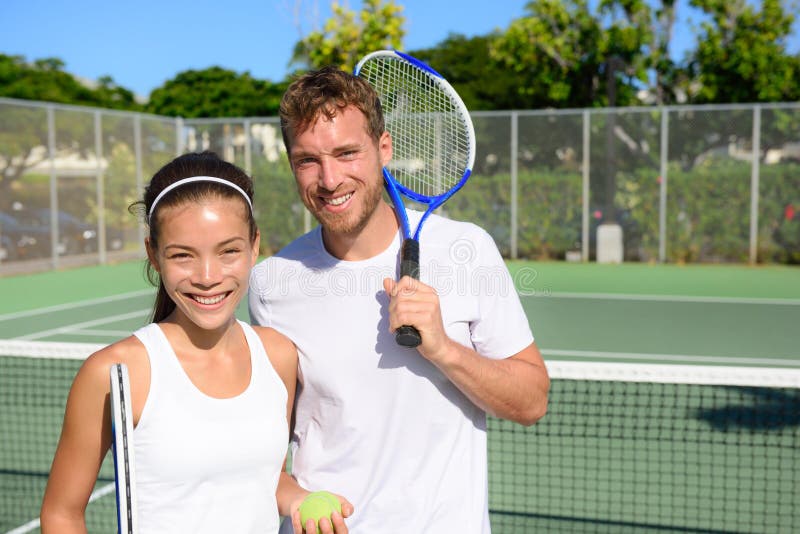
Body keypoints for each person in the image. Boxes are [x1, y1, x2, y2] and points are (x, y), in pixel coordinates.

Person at [248, 66, 550, 533]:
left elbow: (531, 401)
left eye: (347, 153)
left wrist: (444, 349)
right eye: (307, 160)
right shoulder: (272, 283)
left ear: (383, 149)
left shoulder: (467, 249)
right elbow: (266, 449)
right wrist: (298, 500)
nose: (329, 179)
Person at [40, 151, 350, 533]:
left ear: (254, 246)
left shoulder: (277, 354)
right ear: (153, 254)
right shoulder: (114, 372)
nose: (208, 276)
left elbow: (267, 478)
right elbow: (61, 514)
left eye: (228, 251)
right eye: (183, 255)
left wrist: (298, 497)